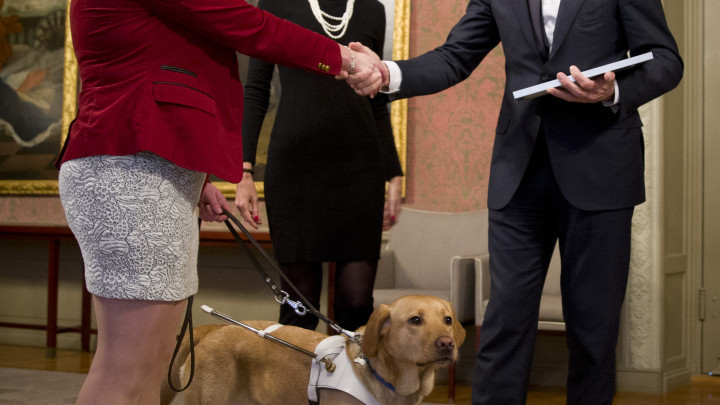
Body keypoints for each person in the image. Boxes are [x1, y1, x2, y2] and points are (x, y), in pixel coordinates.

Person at [345, 0, 684, 403]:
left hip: (602, 169)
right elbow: (455, 56)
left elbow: (666, 60)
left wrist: (614, 91)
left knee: (594, 329)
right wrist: (387, 72)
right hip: (518, 171)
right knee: (504, 323)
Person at [55, 0, 381, 403]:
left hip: (148, 166)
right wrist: (344, 58)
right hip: (131, 166)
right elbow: (247, 24)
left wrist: (198, 177)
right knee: (126, 368)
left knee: (151, 364)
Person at [235, 0, 403, 333]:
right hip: (296, 170)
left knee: (356, 305)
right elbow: (256, 91)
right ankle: (296, 387)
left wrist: (393, 172)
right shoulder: (275, 5)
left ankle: (346, 387)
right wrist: (244, 170)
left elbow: (377, 99)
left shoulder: (371, 9)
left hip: (360, 170)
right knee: (300, 307)